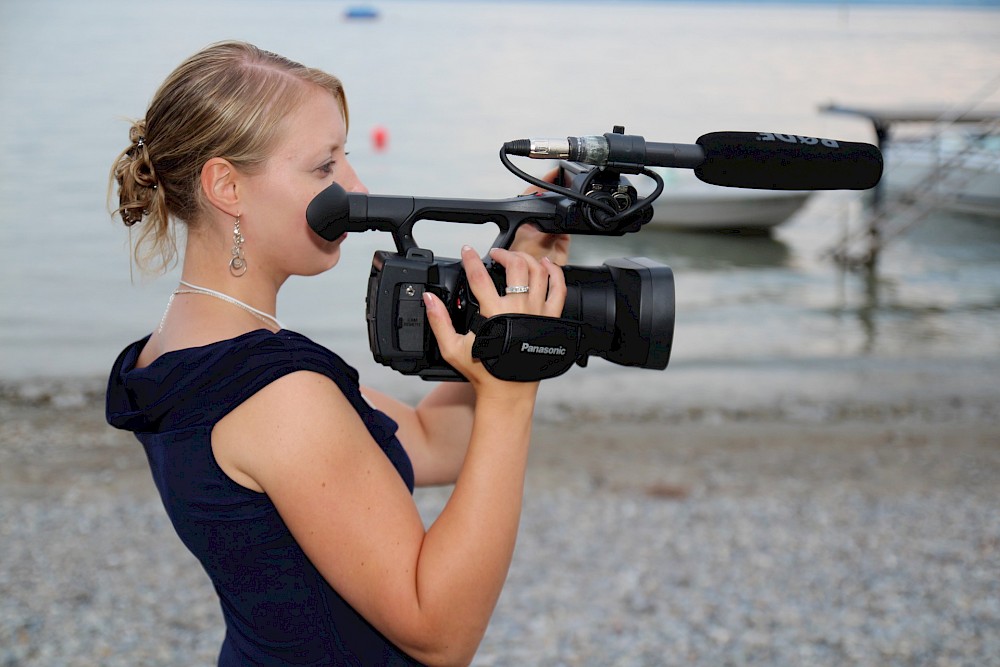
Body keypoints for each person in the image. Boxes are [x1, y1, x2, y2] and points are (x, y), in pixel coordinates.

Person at [105, 41, 569, 666]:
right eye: (325, 167)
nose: (355, 185)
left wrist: (507, 304)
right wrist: (513, 392)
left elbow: (434, 442)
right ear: (226, 185)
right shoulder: (277, 392)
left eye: (345, 157)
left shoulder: (185, 352)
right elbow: (440, 633)